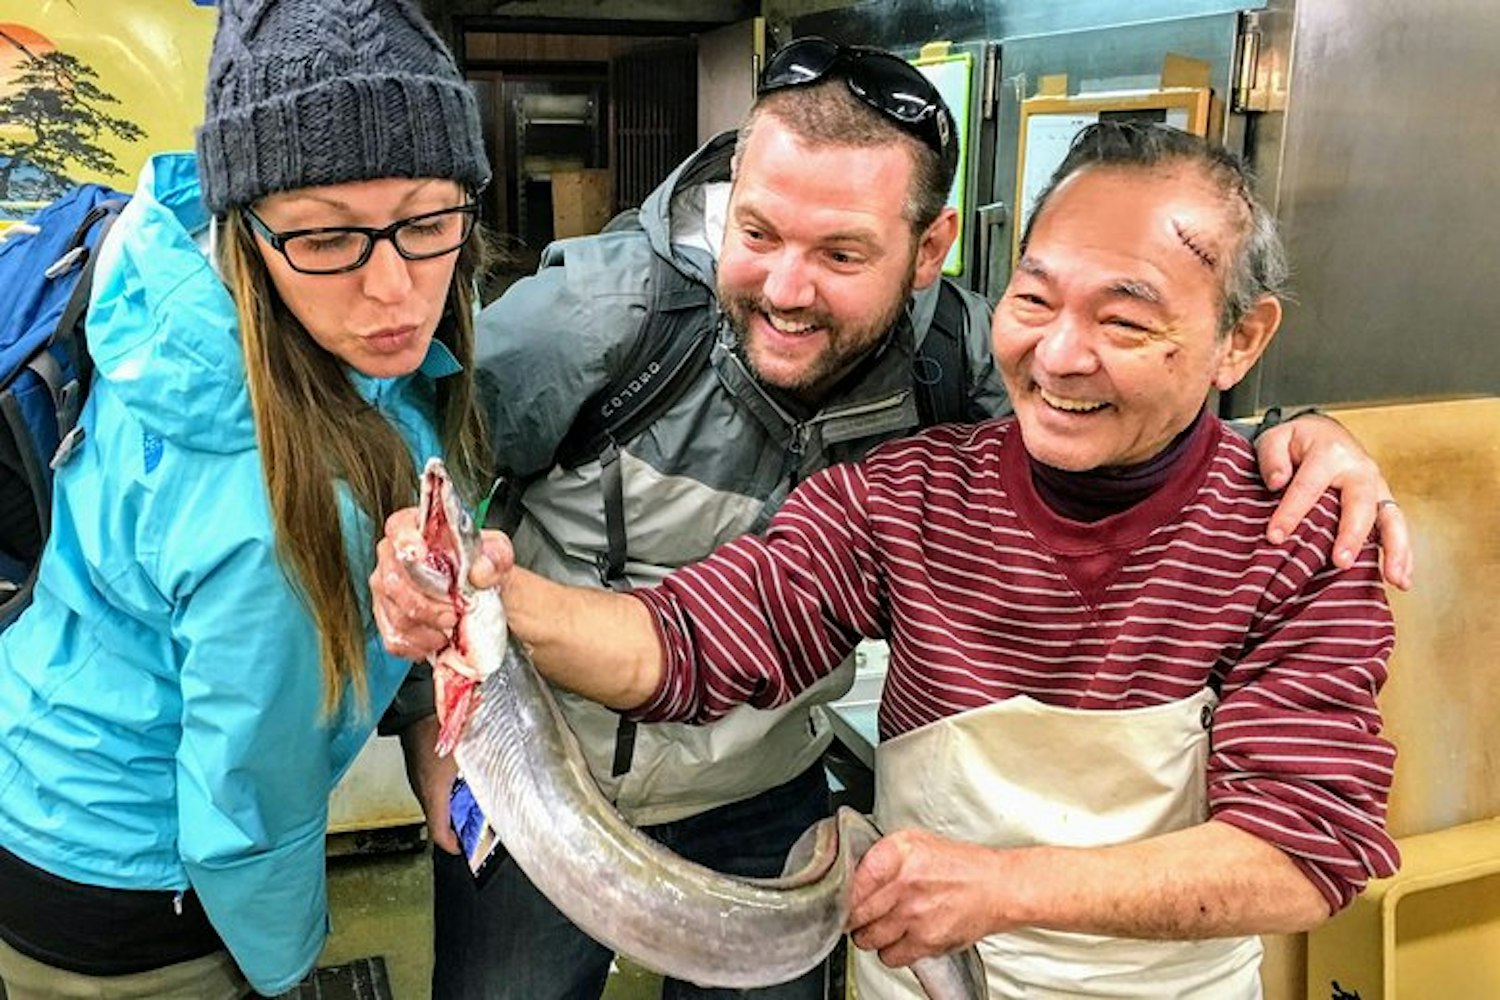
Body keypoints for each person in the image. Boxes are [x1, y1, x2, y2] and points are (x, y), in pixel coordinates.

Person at [377, 38, 1409, 1000]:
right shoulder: (886, 480)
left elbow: (1306, 848)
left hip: (1114, 959)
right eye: (1037, 300)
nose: (1058, 356)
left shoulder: (1291, 531)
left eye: (1126, 319)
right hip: (568, 775)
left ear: (930, 253)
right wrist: (477, 602)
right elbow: (692, 635)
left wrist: (1305, 430)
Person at [0, 1, 490, 997]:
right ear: (249, 225)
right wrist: (285, 962)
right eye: (326, 239)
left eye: (430, 222)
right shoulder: (272, 501)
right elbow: (243, 811)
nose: (395, 292)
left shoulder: (177, 277)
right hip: (131, 890)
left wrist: (428, 734)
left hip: (36, 763)